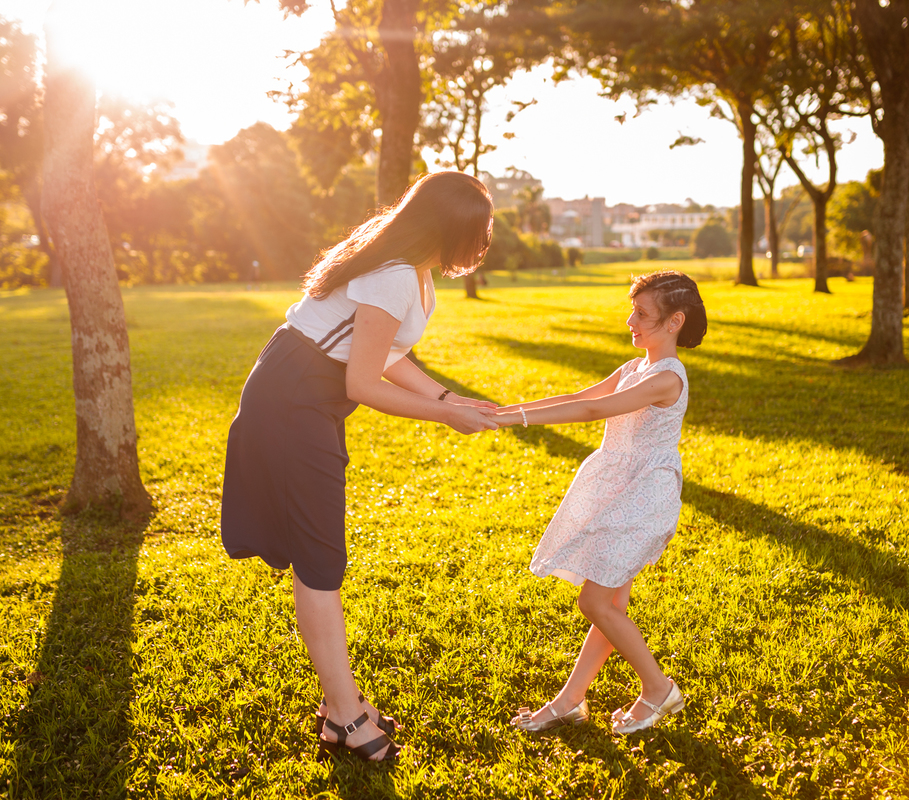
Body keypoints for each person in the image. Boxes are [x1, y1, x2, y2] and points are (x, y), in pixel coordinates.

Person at [221, 172, 499, 762]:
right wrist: (444, 417)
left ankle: (338, 705)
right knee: (321, 558)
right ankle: (344, 717)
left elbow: (388, 353)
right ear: (452, 228)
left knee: (320, 553)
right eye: (479, 230)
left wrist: (449, 398)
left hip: (303, 391)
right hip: (295, 397)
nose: (482, 241)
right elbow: (362, 381)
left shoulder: (404, 263)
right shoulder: (394, 273)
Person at [493, 271, 706, 735]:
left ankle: (659, 689)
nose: (631, 320)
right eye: (632, 310)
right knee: (610, 603)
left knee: (596, 603)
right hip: (618, 494)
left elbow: (592, 412)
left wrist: (519, 421)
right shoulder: (634, 369)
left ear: (675, 322)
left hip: (645, 496)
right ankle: (570, 700)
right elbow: (580, 396)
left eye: (643, 314)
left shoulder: (667, 377)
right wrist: (499, 412)